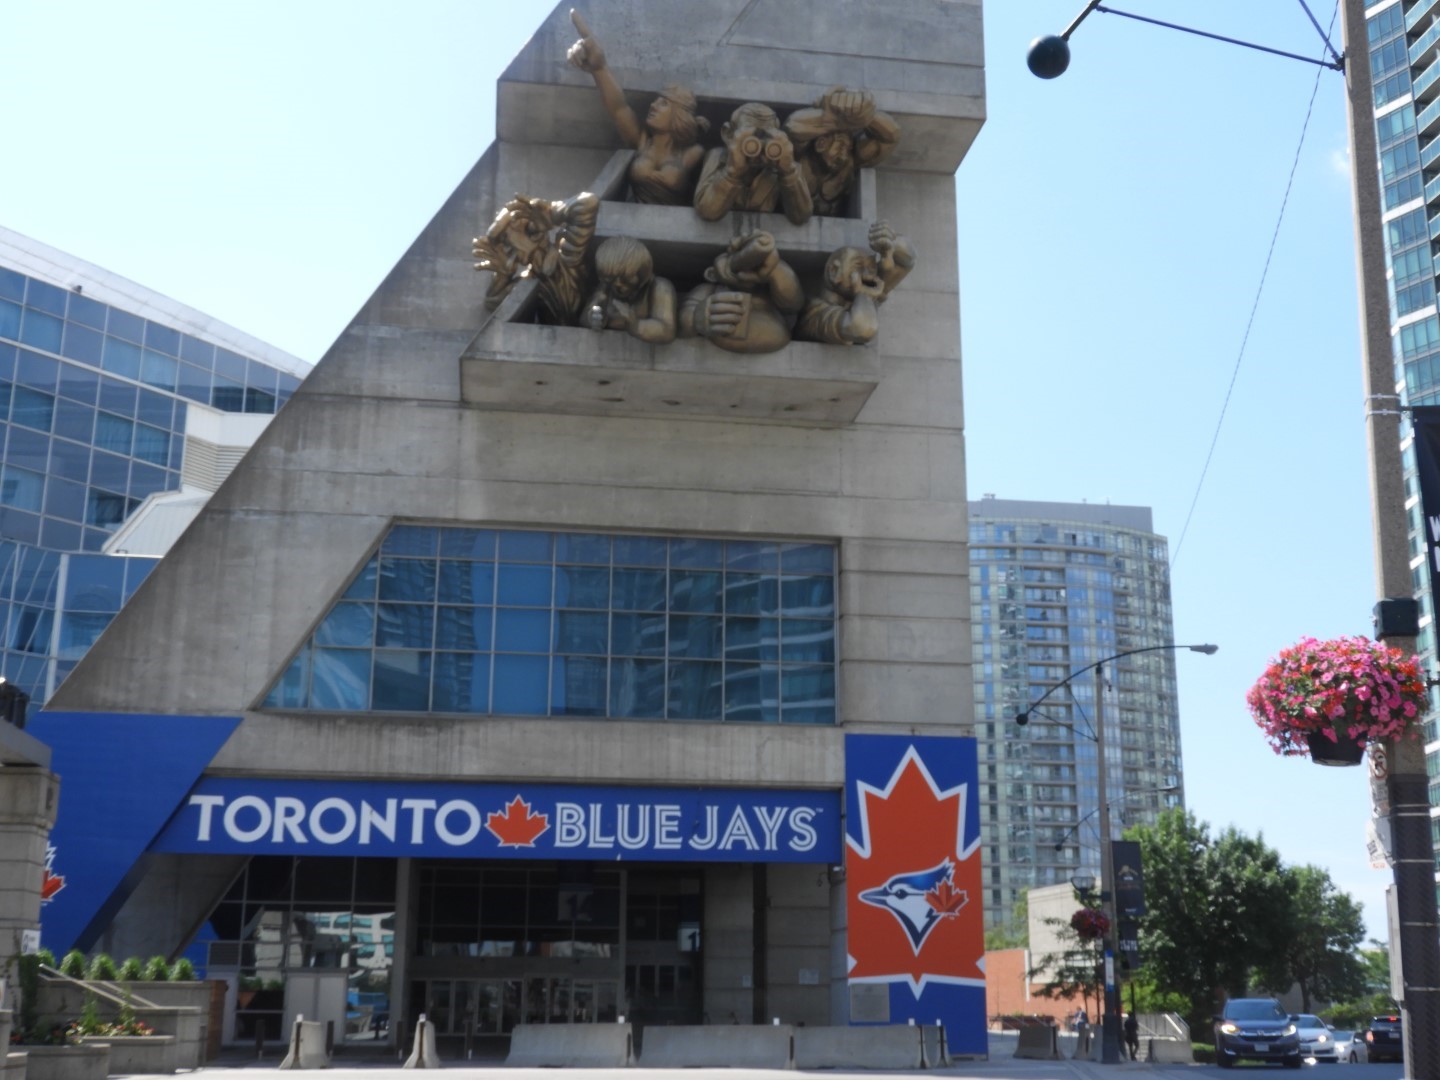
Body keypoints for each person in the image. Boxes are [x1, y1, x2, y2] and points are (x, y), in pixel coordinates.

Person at [567, 10, 710, 206]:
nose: (654, 105)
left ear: (679, 114)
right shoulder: (642, 143)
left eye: (664, 103)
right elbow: (619, 108)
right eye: (656, 100)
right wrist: (599, 68)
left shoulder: (693, 153)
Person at [784, 86, 901, 216]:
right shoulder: (799, 155)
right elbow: (792, 127)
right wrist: (833, 118)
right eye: (841, 146)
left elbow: (890, 138)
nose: (844, 156)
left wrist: (866, 115)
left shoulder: (848, 164)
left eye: (848, 149)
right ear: (820, 144)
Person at [693, 102, 813, 225]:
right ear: (728, 134)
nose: (759, 145)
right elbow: (707, 211)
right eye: (751, 138)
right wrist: (732, 172)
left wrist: (789, 172)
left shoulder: (781, 165)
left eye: (767, 137)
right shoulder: (718, 156)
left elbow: (802, 216)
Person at [583, 236, 677, 344]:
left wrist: (635, 325)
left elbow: (667, 331)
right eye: (611, 278)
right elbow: (586, 317)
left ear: (642, 272)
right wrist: (594, 319)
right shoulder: (605, 288)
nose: (618, 284)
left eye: (626, 278)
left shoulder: (659, 287)